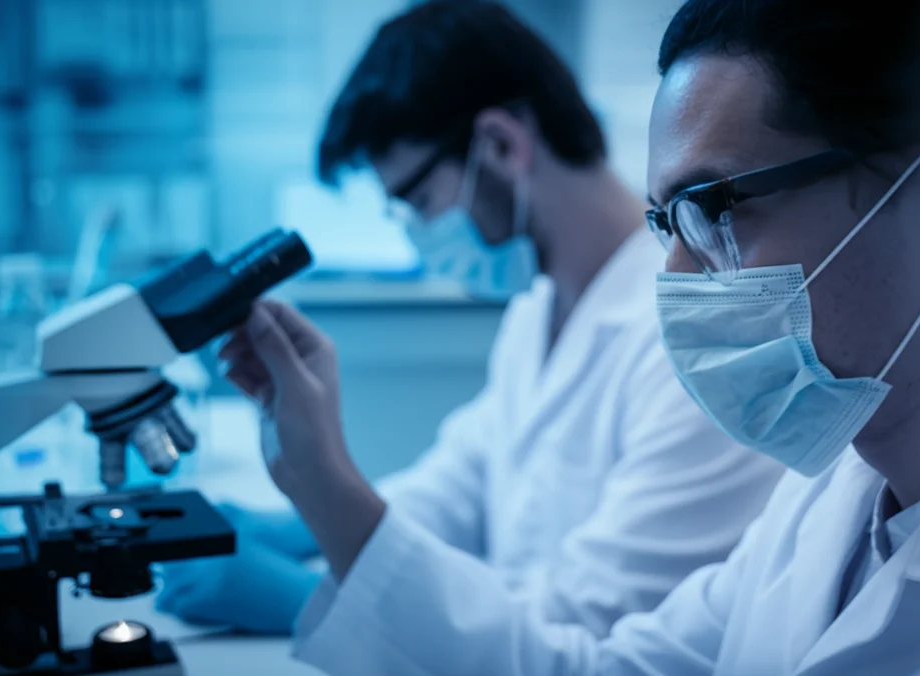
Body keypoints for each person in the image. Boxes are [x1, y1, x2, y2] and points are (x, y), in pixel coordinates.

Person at [210, 0, 920, 671]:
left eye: (714, 211)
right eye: (668, 222)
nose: (678, 281)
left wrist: (318, 536)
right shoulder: (824, 503)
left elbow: (578, 629)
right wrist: (307, 500)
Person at [156, 0, 782, 636]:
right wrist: (299, 521)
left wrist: (305, 599)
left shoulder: (691, 337)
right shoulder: (538, 306)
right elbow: (460, 486)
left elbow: (591, 622)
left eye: (420, 201)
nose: (418, 236)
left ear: (501, 144)